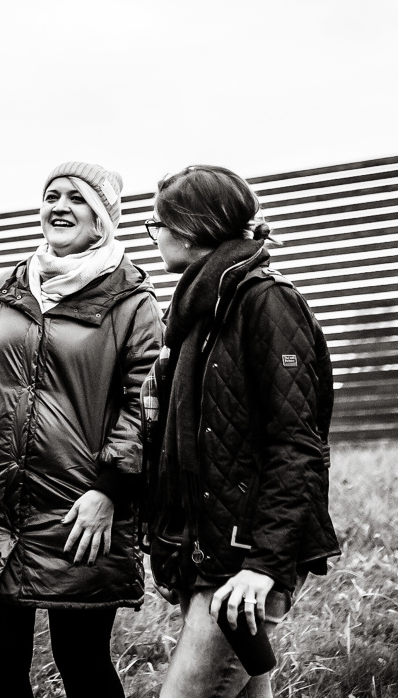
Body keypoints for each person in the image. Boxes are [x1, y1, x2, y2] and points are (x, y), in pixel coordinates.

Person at [0, 162, 164, 698]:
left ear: (104, 217)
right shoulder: (6, 288)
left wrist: (110, 491)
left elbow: (145, 404)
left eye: (77, 197)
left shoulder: (132, 301)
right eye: (51, 195)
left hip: (79, 511)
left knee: (81, 663)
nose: (59, 206)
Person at [139, 165, 340, 698]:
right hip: (208, 556)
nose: (152, 234)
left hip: (240, 565)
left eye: (154, 223)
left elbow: (297, 446)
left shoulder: (263, 302)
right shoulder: (201, 312)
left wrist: (263, 565)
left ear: (189, 226)